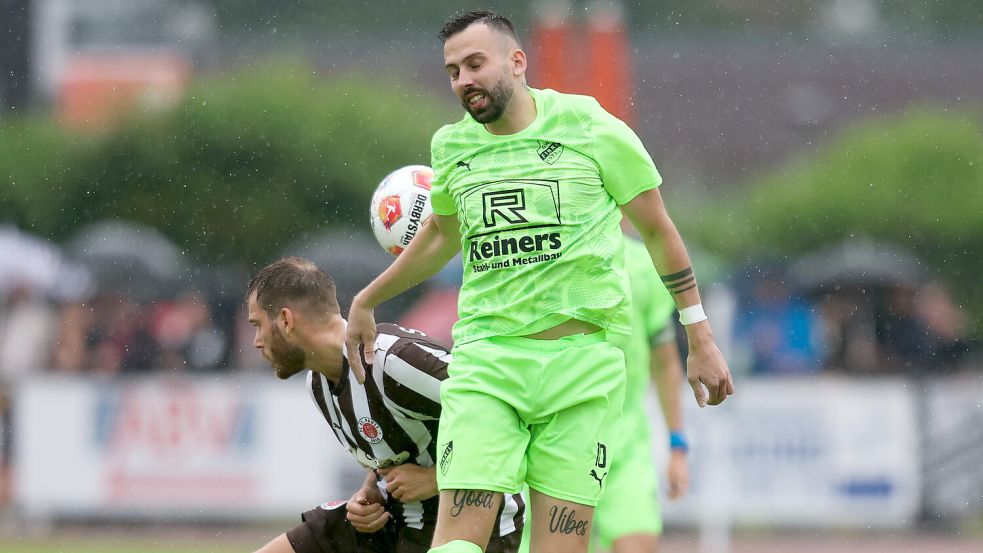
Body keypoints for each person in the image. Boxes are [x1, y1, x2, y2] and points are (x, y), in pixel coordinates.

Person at [345, 11, 734, 553]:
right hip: (486, 367)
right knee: (456, 544)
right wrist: (368, 299)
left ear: (517, 62)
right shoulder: (452, 148)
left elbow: (659, 230)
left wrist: (701, 337)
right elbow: (439, 235)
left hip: (581, 373)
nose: (464, 81)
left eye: (476, 64)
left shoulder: (592, 127)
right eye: (453, 71)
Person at [246, 257, 523, 553]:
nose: (256, 341)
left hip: (473, 524)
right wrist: (369, 494)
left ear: (286, 321)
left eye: (258, 325)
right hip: (394, 520)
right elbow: (395, 456)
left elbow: (507, 413)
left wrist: (437, 479)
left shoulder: (393, 361)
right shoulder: (318, 384)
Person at [518, 233, 691, 553]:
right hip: (554, 444)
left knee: (637, 544)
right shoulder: (545, 256)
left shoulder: (644, 264)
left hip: (625, 446)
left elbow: (666, 363)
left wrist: (677, 445)